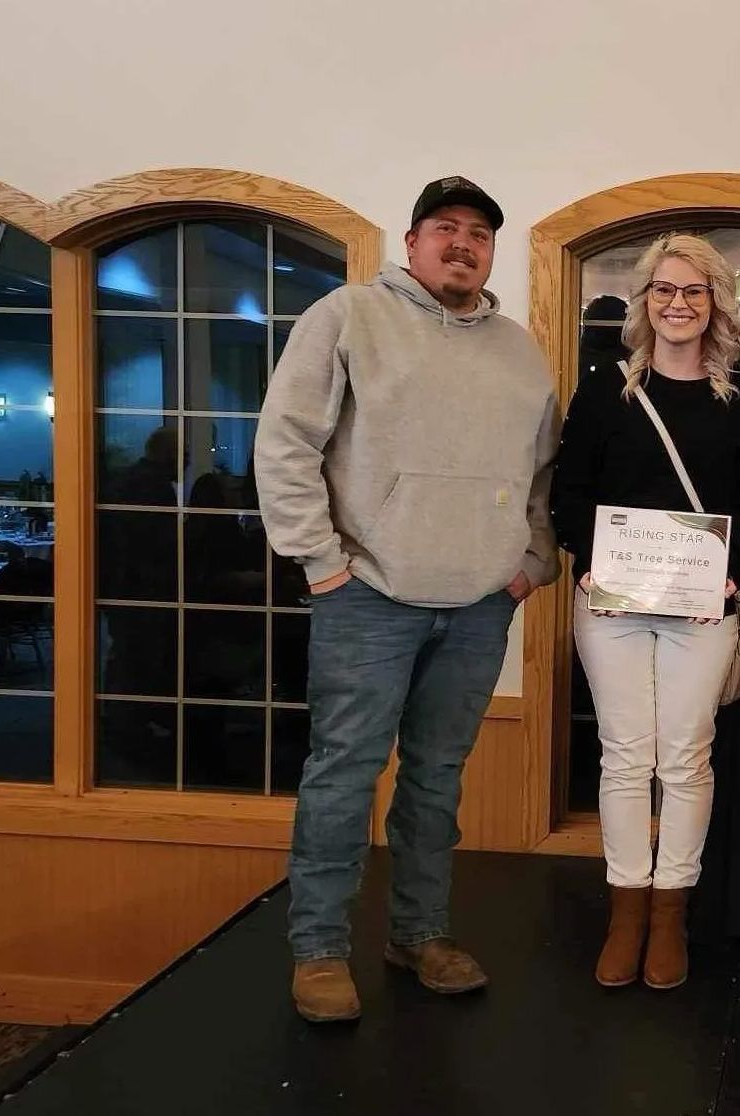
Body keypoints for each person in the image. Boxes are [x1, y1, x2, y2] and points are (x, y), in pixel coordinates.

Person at [254, 176, 561, 1023]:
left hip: (476, 606)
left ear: (491, 251)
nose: (463, 244)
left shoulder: (519, 349)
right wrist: (320, 563)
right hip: (367, 600)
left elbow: (541, 475)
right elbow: (284, 445)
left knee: (436, 780)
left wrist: (533, 561)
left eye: (479, 234)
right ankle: (318, 951)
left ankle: (418, 933)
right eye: (445, 228)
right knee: (343, 776)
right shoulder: (347, 317)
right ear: (413, 239)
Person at [551, 234, 740, 990]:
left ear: (715, 303)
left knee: (684, 756)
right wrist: (593, 561)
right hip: (611, 605)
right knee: (624, 755)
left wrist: (727, 568)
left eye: (693, 291)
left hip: (700, 608)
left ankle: (669, 912)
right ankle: (625, 909)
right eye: (663, 291)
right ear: (644, 301)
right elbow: (567, 496)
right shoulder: (601, 389)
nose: (676, 304)